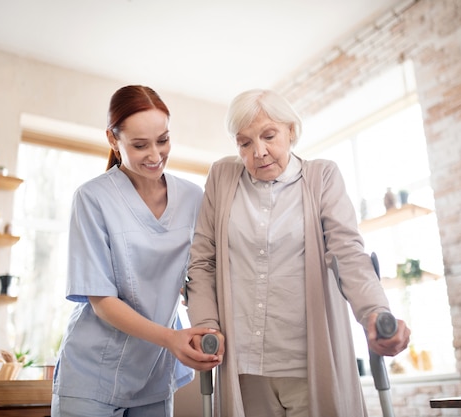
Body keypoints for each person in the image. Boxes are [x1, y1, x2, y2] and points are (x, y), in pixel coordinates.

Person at [185, 88, 411, 416]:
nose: (258, 152)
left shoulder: (322, 176)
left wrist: (374, 310)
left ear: (291, 130)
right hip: (245, 363)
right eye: (244, 143)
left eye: (269, 135)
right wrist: (206, 324)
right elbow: (203, 260)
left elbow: (347, 251)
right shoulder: (222, 176)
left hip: (307, 362)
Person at [51, 85, 220, 417]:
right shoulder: (92, 198)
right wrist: (171, 337)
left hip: (153, 376)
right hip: (90, 375)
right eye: (140, 145)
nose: (155, 155)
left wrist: (207, 322)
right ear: (113, 140)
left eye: (163, 140)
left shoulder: (193, 198)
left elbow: (199, 274)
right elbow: (101, 301)